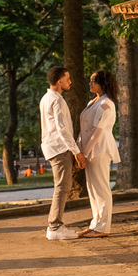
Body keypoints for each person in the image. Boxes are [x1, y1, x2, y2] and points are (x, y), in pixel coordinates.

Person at [40, 66, 85, 240]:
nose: (70, 82)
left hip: (54, 147)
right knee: (62, 187)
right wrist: (76, 152)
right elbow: (63, 129)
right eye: (68, 79)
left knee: (62, 187)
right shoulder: (56, 100)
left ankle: (56, 225)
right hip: (60, 148)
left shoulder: (46, 98)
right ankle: (55, 227)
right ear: (59, 81)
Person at [78, 69, 121, 238]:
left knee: (101, 188)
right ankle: (95, 223)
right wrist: (79, 150)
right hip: (89, 149)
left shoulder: (106, 104)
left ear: (103, 82)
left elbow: (98, 131)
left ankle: (103, 227)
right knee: (92, 188)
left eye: (93, 80)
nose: (90, 82)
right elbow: (85, 130)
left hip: (99, 149)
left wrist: (84, 152)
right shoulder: (94, 102)